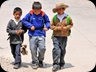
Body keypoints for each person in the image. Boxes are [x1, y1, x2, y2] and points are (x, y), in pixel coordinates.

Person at [22, 1, 50, 69]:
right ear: (32, 9)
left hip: (41, 33)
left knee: (42, 48)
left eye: (38, 11)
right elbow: (24, 20)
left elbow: (47, 21)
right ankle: (34, 62)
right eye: (35, 11)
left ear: (41, 9)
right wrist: (30, 26)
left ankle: (40, 60)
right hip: (32, 34)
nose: (37, 12)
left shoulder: (43, 14)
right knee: (33, 49)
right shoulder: (30, 14)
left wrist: (47, 27)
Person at [50, 3, 73, 71]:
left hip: (64, 36)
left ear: (64, 9)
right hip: (56, 36)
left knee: (62, 49)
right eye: (57, 10)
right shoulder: (54, 17)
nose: (58, 11)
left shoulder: (68, 17)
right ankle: (55, 64)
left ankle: (61, 63)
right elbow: (51, 26)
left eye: (60, 9)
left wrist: (66, 27)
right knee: (56, 49)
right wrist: (58, 28)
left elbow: (71, 24)